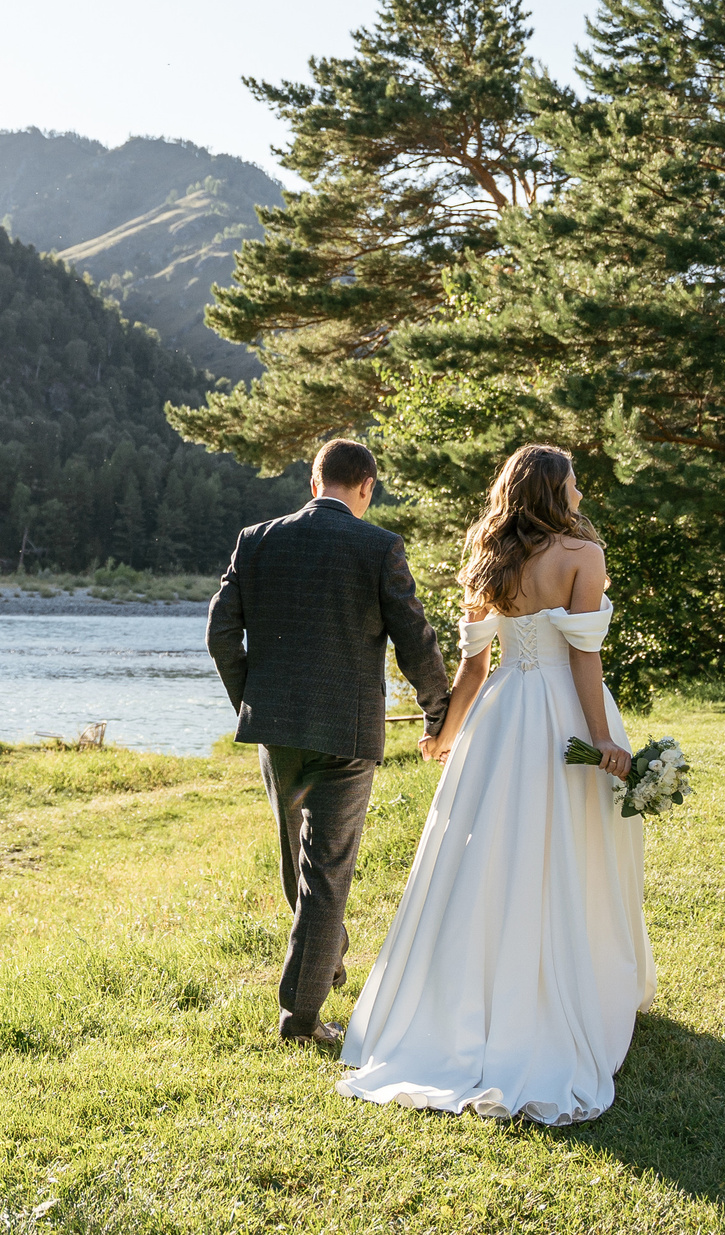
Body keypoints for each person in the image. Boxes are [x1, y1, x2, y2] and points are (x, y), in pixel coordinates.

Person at [334, 443, 657, 1125]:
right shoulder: (582, 556)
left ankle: (480, 992)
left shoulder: (491, 556)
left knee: (491, 855)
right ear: (551, 490)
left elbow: (475, 669)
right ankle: (569, 988)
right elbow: (584, 664)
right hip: (562, 713)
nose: (578, 491)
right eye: (571, 482)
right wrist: (601, 739)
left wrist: (447, 732)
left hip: (503, 715)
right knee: (574, 849)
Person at [207, 438, 450, 1046]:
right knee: (324, 877)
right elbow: (415, 639)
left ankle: (324, 957)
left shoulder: (255, 540)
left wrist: (250, 698)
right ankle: (301, 1018)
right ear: (365, 487)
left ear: (315, 484)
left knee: (300, 863)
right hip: (346, 737)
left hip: (278, 734)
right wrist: (438, 711)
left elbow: (220, 635)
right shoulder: (379, 547)